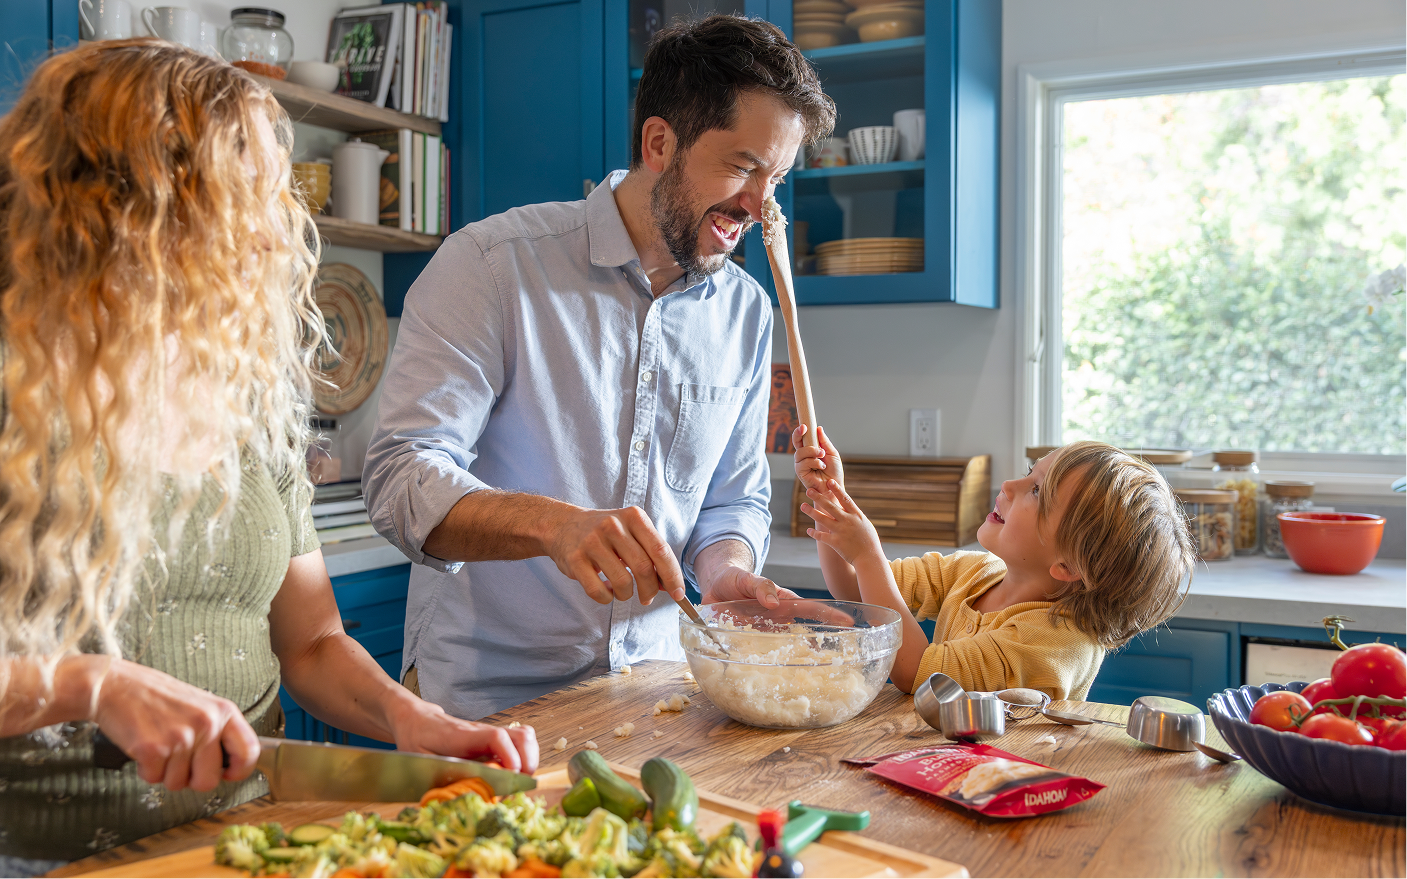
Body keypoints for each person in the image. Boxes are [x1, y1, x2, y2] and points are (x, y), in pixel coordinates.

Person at [0, 40, 536, 874]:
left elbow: (314, 639)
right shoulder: (16, 387)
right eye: (243, 190)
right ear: (134, 199)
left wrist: (409, 719)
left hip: (247, 841)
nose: (277, 224)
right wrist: (92, 685)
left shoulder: (244, 394)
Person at [363, 15, 837, 720]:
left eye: (777, 176)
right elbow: (399, 476)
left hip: (657, 691)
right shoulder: (491, 266)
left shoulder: (746, 311)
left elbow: (732, 501)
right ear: (658, 142)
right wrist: (554, 526)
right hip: (486, 700)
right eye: (742, 166)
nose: (760, 203)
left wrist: (727, 571)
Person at [793, 426, 1195, 699]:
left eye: (1036, 492)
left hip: (1009, 784)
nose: (1010, 485)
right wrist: (830, 494)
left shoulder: (1055, 640)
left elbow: (920, 674)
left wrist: (867, 552)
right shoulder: (975, 572)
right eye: (1028, 474)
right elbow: (852, 587)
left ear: (1069, 567)